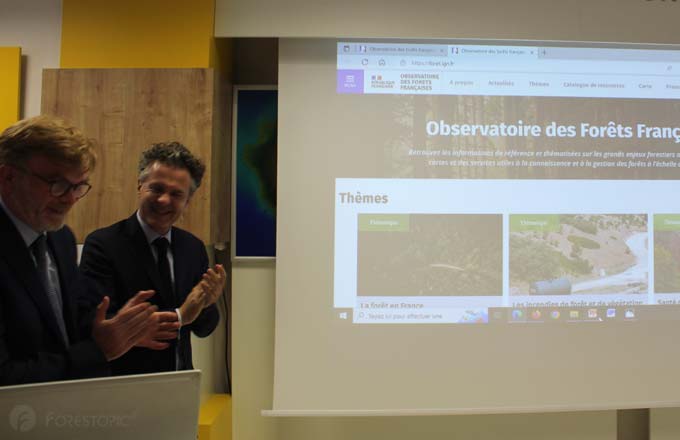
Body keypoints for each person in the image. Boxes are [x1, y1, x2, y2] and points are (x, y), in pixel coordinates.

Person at [0, 115, 160, 385]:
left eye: (79, 186)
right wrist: (97, 352)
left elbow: (70, 321)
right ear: (8, 176)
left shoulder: (60, 238)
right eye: (57, 185)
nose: (71, 199)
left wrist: (120, 329)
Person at [80, 142, 225, 375]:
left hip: (180, 383)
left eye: (176, 194)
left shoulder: (193, 248)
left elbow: (203, 328)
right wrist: (180, 316)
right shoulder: (103, 244)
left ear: (188, 200)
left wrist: (207, 303)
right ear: (140, 185)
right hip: (124, 388)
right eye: (156, 189)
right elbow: (93, 325)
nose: (164, 200)